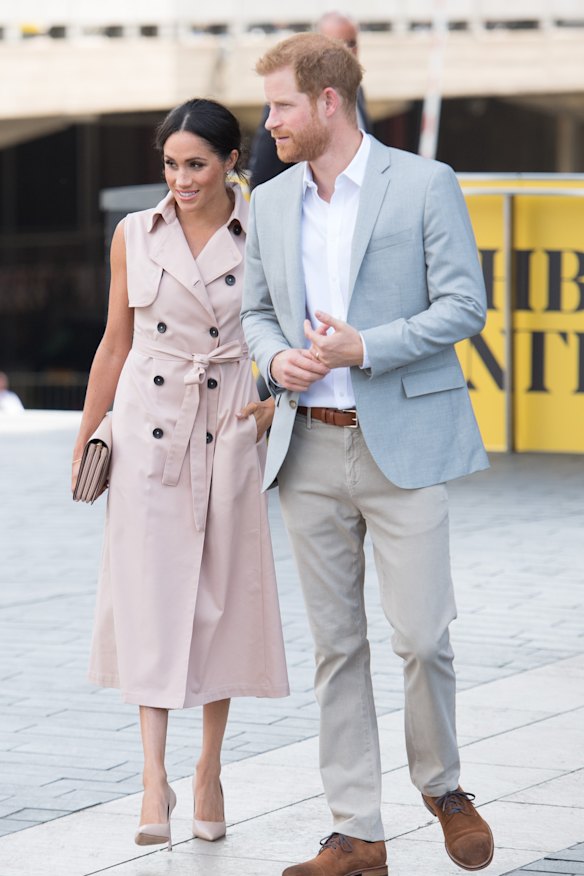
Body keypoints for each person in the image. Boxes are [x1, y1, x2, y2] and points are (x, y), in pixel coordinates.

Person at [241, 33, 494, 876]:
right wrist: (275, 360)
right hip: (305, 449)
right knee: (335, 648)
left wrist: (365, 347)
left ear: (326, 102)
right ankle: (358, 833)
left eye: (279, 105)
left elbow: (466, 305)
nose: (267, 121)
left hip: (405, 444)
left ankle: (444, 786)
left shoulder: (424, 184)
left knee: (424, 636)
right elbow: (256, 313)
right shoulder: (271, 200)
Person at [72, 98, 289, 850]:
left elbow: (295, 331)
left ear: (232, 161)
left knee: (220, 603)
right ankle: (152, 779)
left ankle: (209, 769)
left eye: (196, 163)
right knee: (150, 602)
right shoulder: (135, 233)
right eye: (170, 163)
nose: (181, 178)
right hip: (147, 431)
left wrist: (271, 406)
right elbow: (114, 343)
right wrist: (86, 431)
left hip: (226, 425)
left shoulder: (267, 229)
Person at [248, 11, 371, 189]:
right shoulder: (282, 105)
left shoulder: (358, 94)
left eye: (351, 43)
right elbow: (263, 175)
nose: (345, 51)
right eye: (334, 44)